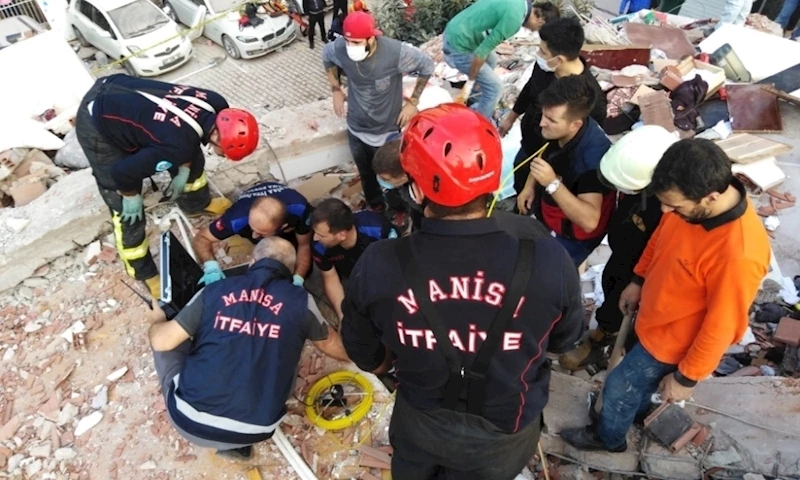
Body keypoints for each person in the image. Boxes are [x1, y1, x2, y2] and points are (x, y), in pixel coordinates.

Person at [340, 103, 583, 479]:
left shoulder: (380, 263)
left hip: (422, 421)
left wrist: (401, 353)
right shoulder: (549, 260)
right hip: (505, 431)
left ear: (416, 189)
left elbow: (367, 354)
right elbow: (564, 340)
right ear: (493, 181)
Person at [560, 139, 771, 452]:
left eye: (675, 206)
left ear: (711, 197)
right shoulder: (688, 206)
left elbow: (722, 326)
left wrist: (686, 378)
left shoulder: (739, 254)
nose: (665, 211)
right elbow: (660, 239)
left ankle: (608, 439)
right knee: (632, 388)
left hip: (671, 341)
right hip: (650, 316)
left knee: (619, 385)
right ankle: (635, 411)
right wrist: (638, 279)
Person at [148, 237, 350, 460]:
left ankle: (228, 435)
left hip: (189, 422)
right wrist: (364, 358)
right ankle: (238, 444)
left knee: (169, 339)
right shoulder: (300, 300)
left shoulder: (215, 290)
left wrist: (157, 321)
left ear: (253, 261)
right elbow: (331, 345)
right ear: (292, 271)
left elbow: (161, 341)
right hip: (257, 430)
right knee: (285, 347)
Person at [75, 74, 259, 298]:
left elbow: (187, 134)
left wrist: (184, 169)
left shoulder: (215, 104)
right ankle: (143, 272)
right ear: (219, 139)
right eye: (226, 153)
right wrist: (130, 196)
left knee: (192, 157)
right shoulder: (177, 144)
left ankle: (196, 205)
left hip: (120, 91)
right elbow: (121, 172)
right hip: (97, 120)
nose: (224, 157)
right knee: (124, 208)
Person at [558, 126, 678, 372]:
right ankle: (607, 333)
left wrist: (638, 279)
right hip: (624, 253)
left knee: (623, 302)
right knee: (612, 282)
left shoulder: (669, 207)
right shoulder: (636, 171)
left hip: (644, 267)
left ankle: (607, 342)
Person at [322, 11, 435, 213]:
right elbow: (326, 55)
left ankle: (399, 211)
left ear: (372, 38)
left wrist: (413, 102)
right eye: (347, 41)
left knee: (392, 178)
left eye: (356, 42)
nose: (350, 47)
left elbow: (427, 65)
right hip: (356, 129)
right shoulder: (339, 48)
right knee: (366, 174)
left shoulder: (395, 53)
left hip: (386, 132)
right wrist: (335, 89)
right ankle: (376, 206)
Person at [498, 17, 607, 196]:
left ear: (559, 59)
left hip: (550, 166)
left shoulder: (589, 100)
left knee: (533, 202)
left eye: (542, 51)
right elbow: (530, 89)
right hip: (528, 145)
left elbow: (579, 145)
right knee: (520, 187)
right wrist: (511, 118)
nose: (538, 55)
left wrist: (534, 183)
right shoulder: (546, 67)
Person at [516, 75, 614, 267]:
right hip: (551, 215)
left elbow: (589, 221)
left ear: (575, 124)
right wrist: (529, 186)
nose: (542, 123)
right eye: (544, 115)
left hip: (572, 238)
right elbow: (545, 153)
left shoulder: (591, 160)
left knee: (551, 273)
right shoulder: (558, 128)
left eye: (551, 120)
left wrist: (552, 183)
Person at [443, 0, 559, 120]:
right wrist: (470, 82)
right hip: (458, 47)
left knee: (492, 60)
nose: (533, 31)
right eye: (538, 29)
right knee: (495, 88)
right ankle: (474, 123)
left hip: (455, 30)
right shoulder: (513, 20)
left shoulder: (519, 4)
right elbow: (482, 52)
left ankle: (474, 102)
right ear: (540, 21)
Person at [192, 182, 313, 287]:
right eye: (252, 228)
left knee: (302, 267)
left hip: (288, 219)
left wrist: (298, 280)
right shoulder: (236, 219)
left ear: (283, 227)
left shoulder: (300, 209)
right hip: (248, 215)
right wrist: (211, 266)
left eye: (261, 233)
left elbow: (304, 246)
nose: (254, 236)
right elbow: (202, 237)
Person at [310, 198, 399, 320]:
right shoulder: (318, 246)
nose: (315, 238)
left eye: (321, 235)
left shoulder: (378, 229)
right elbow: (331, 278)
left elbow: (398, 263)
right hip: (353, 276)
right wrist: (342, 317)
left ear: (342, 235)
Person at [372, 138, 423, 232]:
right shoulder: (405, 176)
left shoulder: (421, 194)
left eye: (385, 179)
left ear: (404, 177)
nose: (381, 181)